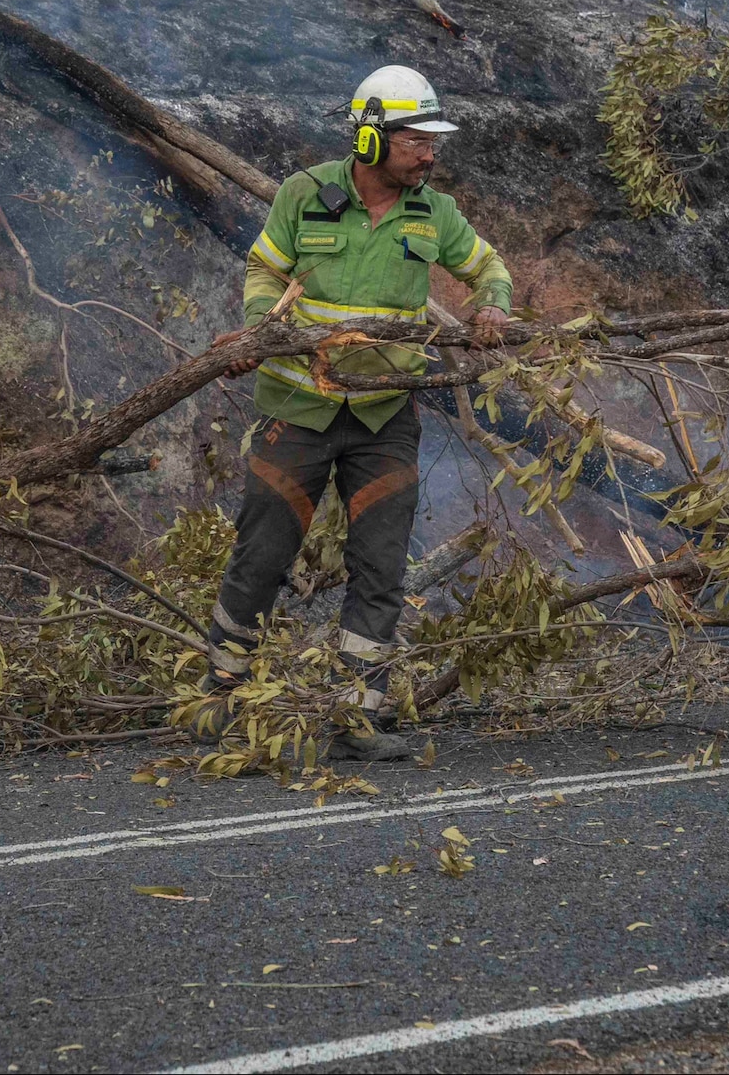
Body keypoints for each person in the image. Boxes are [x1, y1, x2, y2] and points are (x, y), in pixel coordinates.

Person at [197, 65, 514, 762]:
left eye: (434, 142)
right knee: (261, 556)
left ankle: (359, 715)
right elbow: (262, 271)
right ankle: (219, 695)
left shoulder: (435, 212)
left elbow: (489, 267)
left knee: (380, 567)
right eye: (415, 141)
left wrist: (491, 304)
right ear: (370, 139)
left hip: (383, 418)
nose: (430, 155)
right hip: (296, 409)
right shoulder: (304, 195)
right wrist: (260, 328)